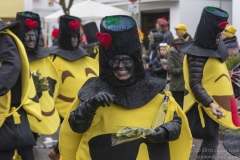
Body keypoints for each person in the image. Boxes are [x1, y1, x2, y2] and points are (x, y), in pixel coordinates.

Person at [58, 15, 192, 160]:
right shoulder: (92, 91)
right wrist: (90, 105)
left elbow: (176, 121)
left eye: (126, 60)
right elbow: (76, 127)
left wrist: (165, 131)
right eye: (115, 61)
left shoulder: (155, 91)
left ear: (135, 62)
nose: (121, 66)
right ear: (107, 63)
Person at [180, 6, 240, 160]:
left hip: (214, 101)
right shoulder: (196, 55)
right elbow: (195, 84)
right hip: (204, 104)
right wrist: (210, 104)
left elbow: (214, 67)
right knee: (210, 139)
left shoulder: (215, 44)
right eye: (217, 34)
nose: (219, 37)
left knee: (211, 140)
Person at [48, 15, 99, 159]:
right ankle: (59, 152)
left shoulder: (88, 60)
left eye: (77, 37)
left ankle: (57, 151)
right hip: (63, 107)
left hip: (86, 103)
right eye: (72, 37)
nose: (75, 40)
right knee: (69, 132)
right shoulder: (53, 61)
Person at [15, 11, 60, 155]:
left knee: (28, 143)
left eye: (33, 35)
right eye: (27, 35)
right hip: (18, 111)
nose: (31, 39)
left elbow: (52, 82)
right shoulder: (12, 57)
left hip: (37, 110)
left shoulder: (43, 59)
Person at [0, 19, 42, 160]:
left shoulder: (4, 38)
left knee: (8, 149)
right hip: (7, 107)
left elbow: (12, 65)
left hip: (8, 108)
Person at [167, 38, 185, 108]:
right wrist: (184, 69)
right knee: (177, 107)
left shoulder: (184, 54)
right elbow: (172, 70)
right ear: (176, 46)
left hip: (185, 86)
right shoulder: (171, 55)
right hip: (176, 86)